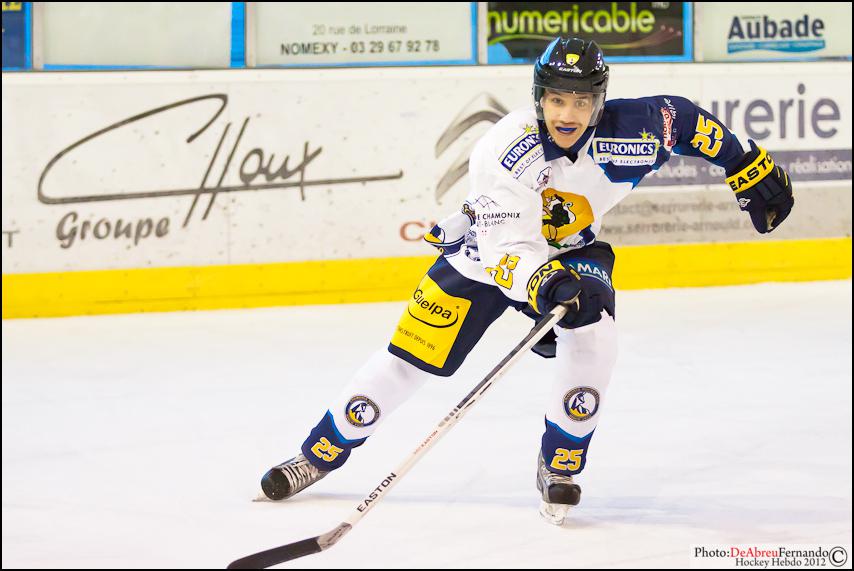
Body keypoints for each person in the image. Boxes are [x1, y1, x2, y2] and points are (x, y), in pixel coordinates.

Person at [258, 37, 795, 524]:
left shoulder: (640, 127)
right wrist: (545, 286)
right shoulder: (505, 147)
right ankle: (319, 453)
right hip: (485, 258)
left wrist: (745, 163)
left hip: (572, 252)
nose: (568, 114)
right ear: (539, 98)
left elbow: (691, 122)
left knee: (595, 334)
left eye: (581, 101)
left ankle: (560, 462)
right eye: (557, 99)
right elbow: (506, 252)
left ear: (599, 102)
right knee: (407, 360)